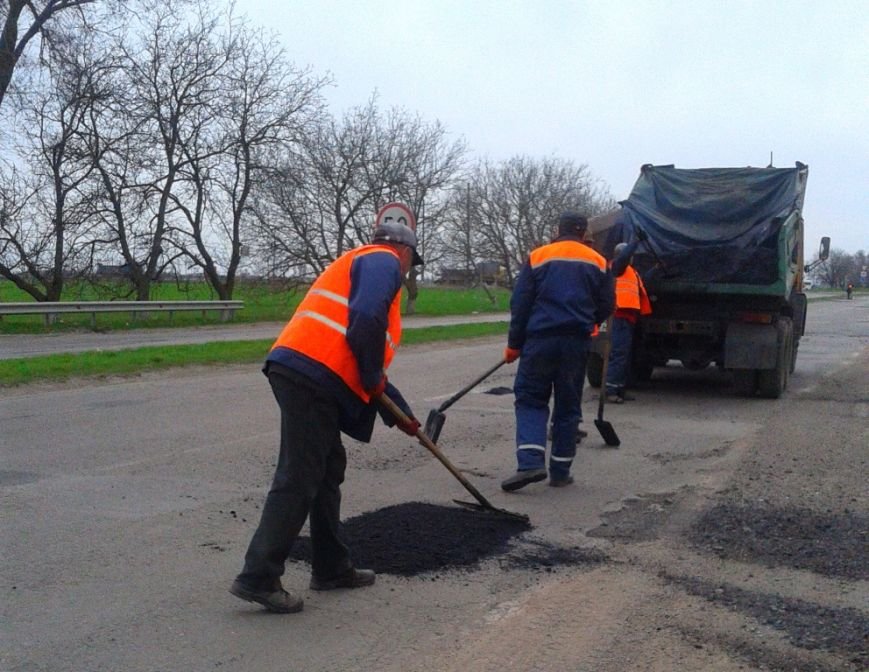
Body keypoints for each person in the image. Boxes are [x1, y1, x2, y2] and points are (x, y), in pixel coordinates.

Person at [230, 211, 423, 614]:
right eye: (411, 261)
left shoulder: (360, 264)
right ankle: (258, 576)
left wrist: (399, 414)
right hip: (312, 376)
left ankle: (332, 567)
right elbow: (365, 324)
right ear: (403, 250)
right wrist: (372, 377)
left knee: (327, 468)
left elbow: (364, 361)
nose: (408, 271)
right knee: (299, 475)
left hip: (308, 373)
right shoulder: (381, 260)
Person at [501, 211, 614, 491]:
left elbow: (521, 303)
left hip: (540, 340)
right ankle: (561, 471)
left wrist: (514, 344)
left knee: (530, 399)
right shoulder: (599, 262)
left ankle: (530, 463)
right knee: (568, 405)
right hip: (576, 343)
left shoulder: (539, 256)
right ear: (583, 232)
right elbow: (607, 303)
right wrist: (591, 322)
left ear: (558, 229)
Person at [605, 242, 653, 403]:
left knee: (625, 355)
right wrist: (635, 242)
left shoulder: (632, 272)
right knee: (618, 354)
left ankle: (620, 388)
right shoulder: (617, 267)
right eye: (629, 255)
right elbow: (624, 258)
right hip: (619, 316)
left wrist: (657, 269)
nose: (631, 258)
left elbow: (643, 282)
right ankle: (611, 390)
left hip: (629, 317)